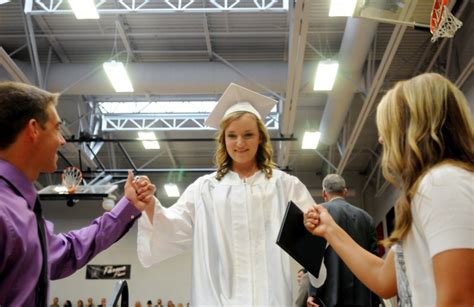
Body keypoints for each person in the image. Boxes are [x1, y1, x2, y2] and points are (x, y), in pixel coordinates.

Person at [137, 83, 316, 305]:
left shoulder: (284, 185)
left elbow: (314, 237)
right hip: (216, 299)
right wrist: (150, 204)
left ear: (260, 137)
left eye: (248, 134)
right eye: (232, 135)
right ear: (223, 139)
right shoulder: (204, 189)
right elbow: (175, 225)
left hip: (270, 298)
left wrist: (311, 224)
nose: (240, 143)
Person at [304, 73, 474, 306]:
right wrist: (330, 230)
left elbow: (460, 299)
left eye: (388, 128)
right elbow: (384, 278)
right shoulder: (429, 188)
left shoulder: (443, 183)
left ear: (414, 128)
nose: (382, 140)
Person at [0, 81, 156, 306]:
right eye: (56, 128)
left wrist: (127, 206)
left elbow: (66, 253)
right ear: (33, 129)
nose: (63, 140)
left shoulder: (20, 209)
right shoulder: (5, 211)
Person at [307, 174, 379, 307]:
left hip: (329, 297)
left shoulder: (319, 215)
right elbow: (374, 259)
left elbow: (315, 258)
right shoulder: (366, 218)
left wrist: (312, 292)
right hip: (362, 297)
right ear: (345, 191)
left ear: (324, 193)